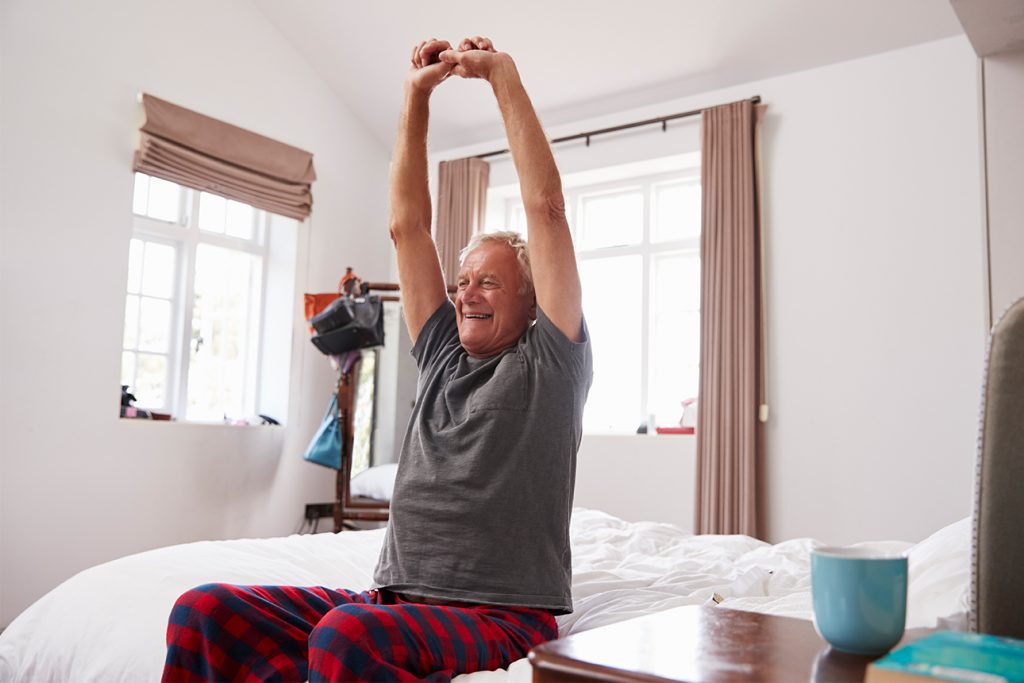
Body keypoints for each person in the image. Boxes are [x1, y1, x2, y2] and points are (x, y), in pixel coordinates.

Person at [161, 36, 591, 682]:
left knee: (343, 639)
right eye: (463, 279)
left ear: (533, 301)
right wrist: (414, 98)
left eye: (489, 282)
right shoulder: (443, 352)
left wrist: (502, 77)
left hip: (499, 612)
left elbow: (546, 210)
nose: (465, 290)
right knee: (201, 612)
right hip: (394, 603)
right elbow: (408, 228)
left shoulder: (550, 365)